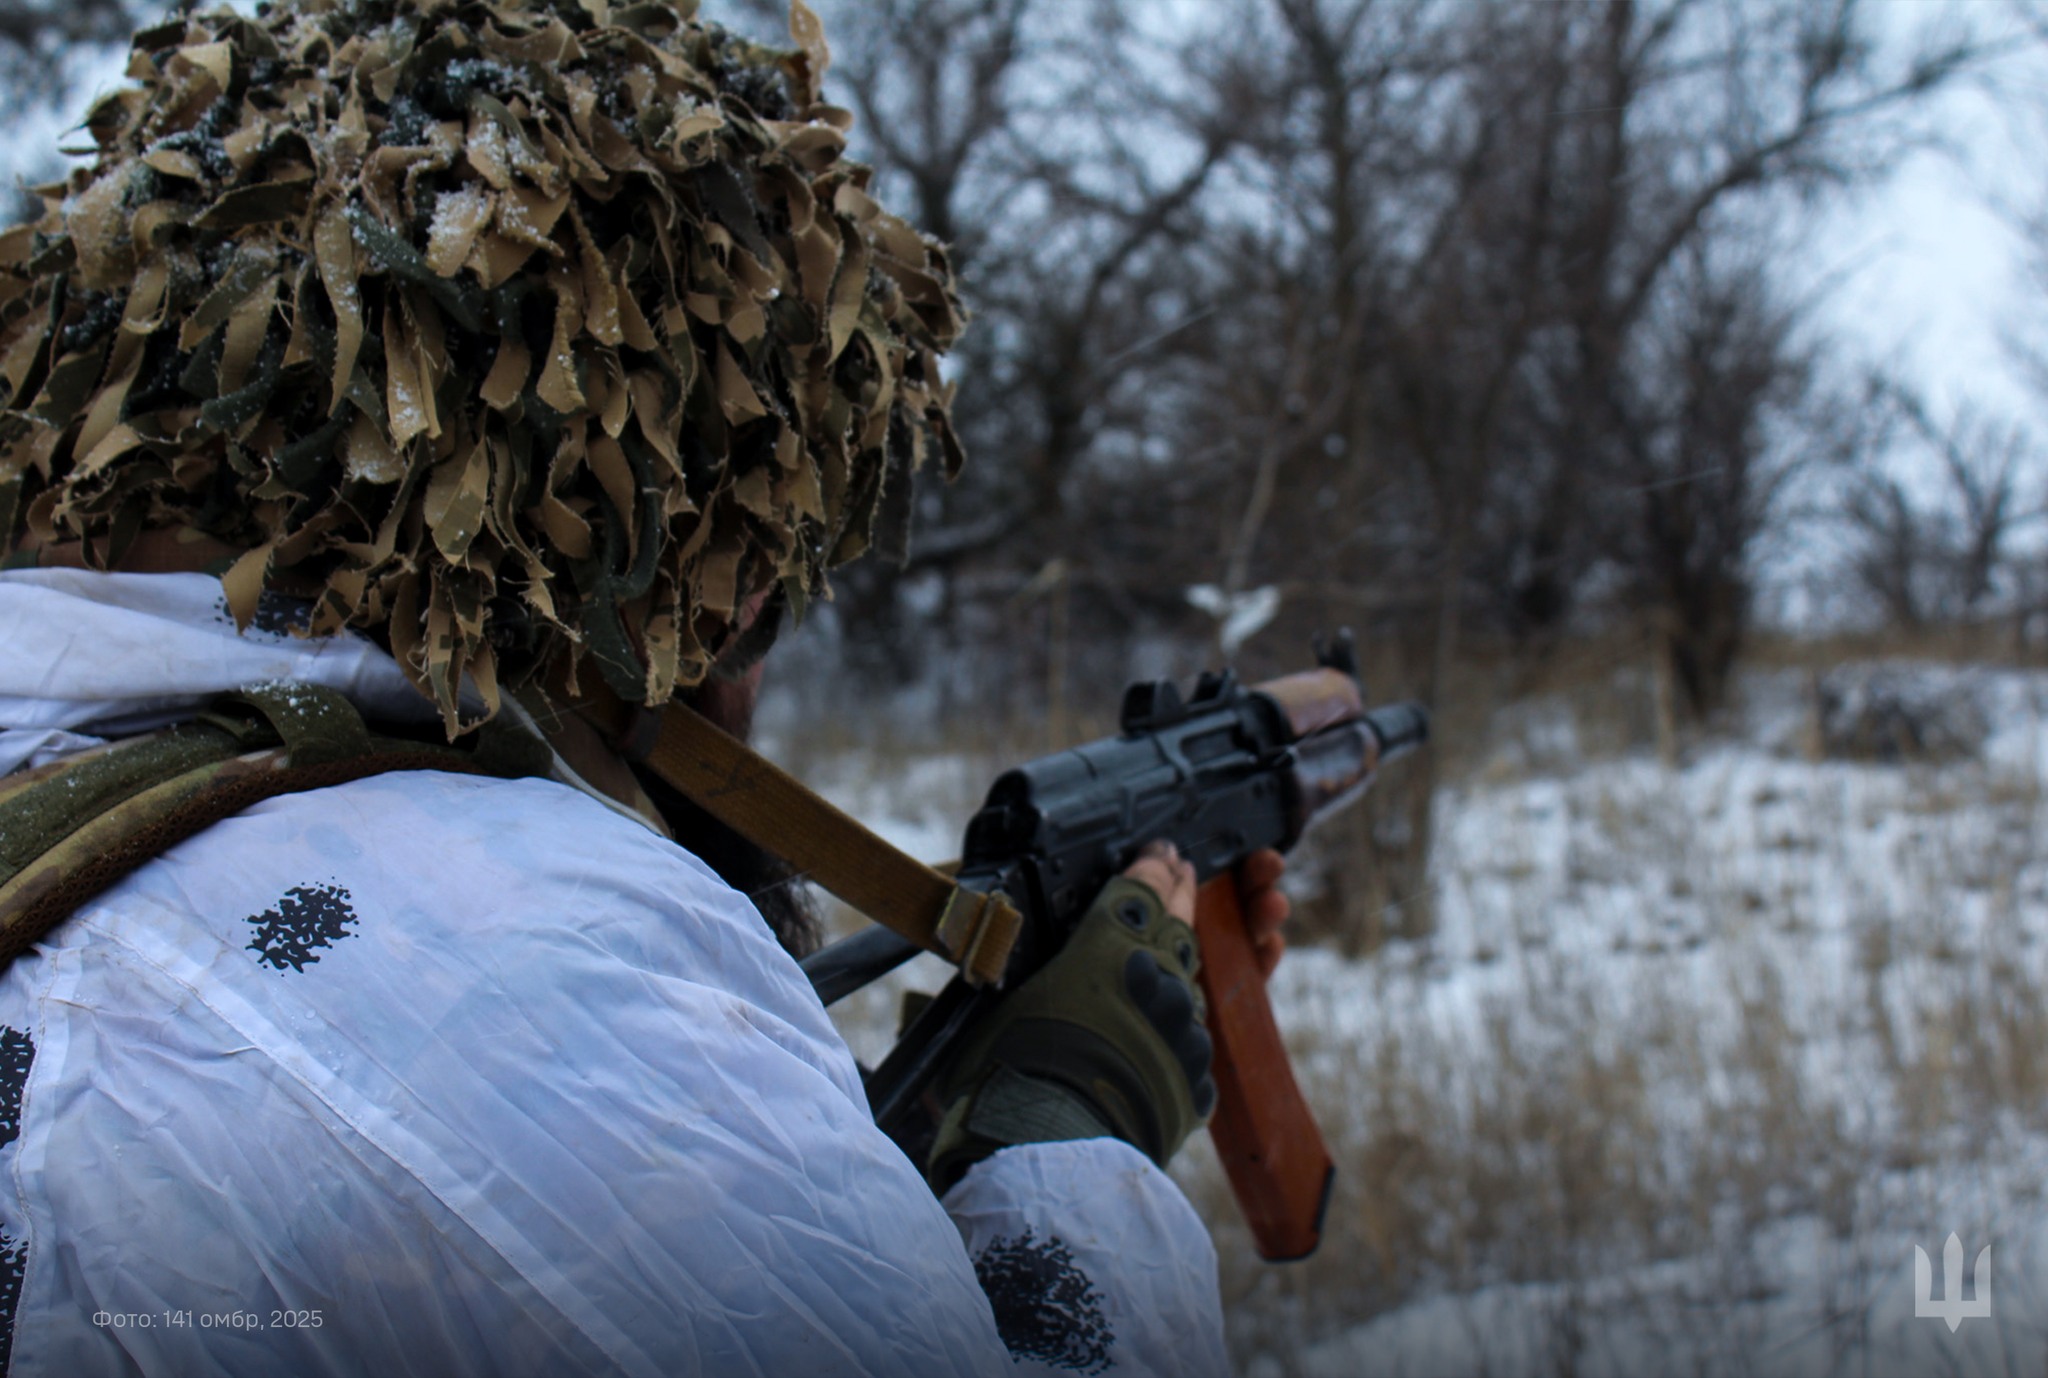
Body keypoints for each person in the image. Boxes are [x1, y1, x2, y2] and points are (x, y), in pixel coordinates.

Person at [0, 1, 1291, 1375]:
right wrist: (1067, 1128)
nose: (752, 649)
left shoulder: (63, 803)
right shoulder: (549, 965)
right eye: (759, 584)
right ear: (671, 589)